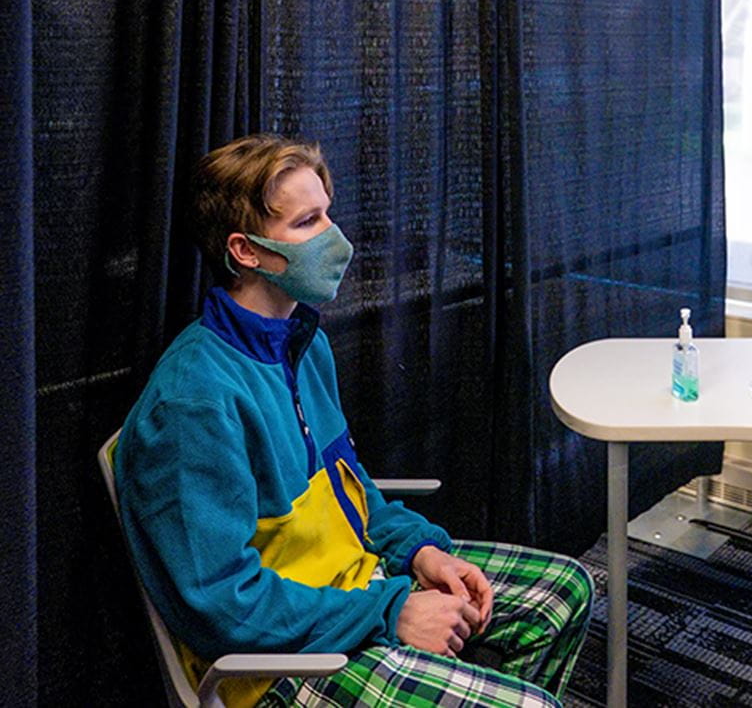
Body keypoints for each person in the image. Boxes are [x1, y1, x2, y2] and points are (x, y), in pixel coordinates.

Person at [116, 134, 593, 708]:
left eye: (328, 214)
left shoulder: (301, 345)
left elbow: (349, 491)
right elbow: (222, 606)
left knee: (564, 592)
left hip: (357, 588)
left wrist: (420, 551)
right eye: (308, 221)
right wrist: (393, 612)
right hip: (282, 662)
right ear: (245, 250)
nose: (334, 238)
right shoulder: (193, 400)